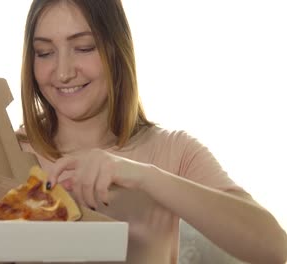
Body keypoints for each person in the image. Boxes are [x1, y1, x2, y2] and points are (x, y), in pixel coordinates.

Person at [16, 0, 287, 263]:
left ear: (116, 49)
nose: (63, 73)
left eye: (84, 47)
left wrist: (144, 177)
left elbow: (276, 248)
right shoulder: (7, 149)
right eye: (44, 52)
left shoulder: (175, 151)